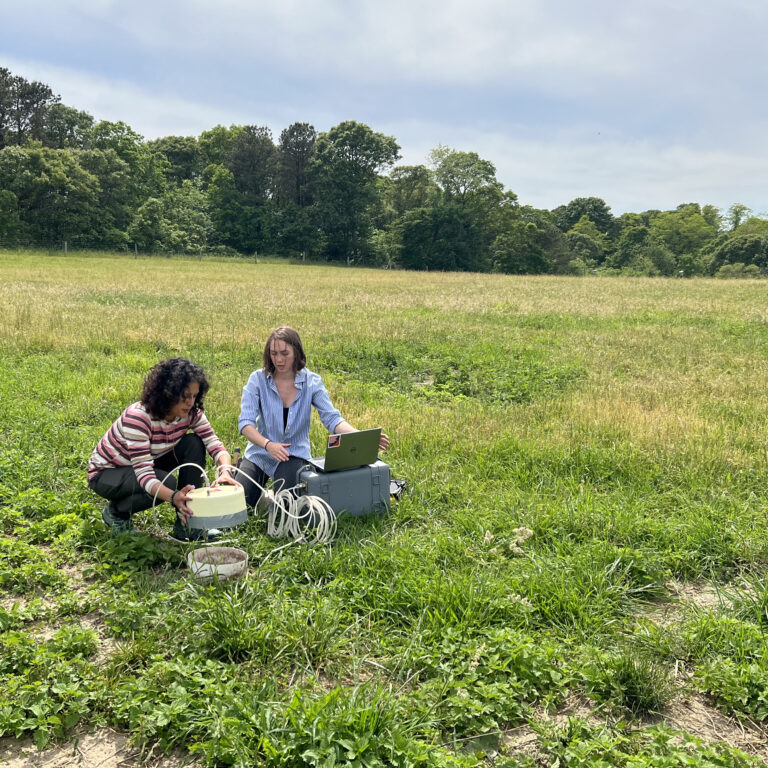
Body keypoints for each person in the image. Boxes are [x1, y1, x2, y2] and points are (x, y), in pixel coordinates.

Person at [87, 357, 239, 539]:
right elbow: (144, 474)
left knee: (194, 443)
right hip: (107, 473)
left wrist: (225, 471)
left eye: (194, 396)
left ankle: (188, 522)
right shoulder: (139, 417)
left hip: (146, 462)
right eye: (185, 396)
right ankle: (117, 512)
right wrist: (173, 496)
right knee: (166, 484)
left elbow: (214, 444)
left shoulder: (191, 414)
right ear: (168, 392)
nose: (190, 402)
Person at [238, 326, 389, 508]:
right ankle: (248, 481)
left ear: (297, 352)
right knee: (240, 504)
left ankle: (272, 496)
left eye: (285, 353)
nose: (278, 359)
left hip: (293, 455)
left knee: (286, 505)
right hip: (260, 452)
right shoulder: (257, 379)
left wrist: (361, 437)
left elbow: (332, 419)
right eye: (273, 353)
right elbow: (245, 423)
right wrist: (268, 445)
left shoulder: (312, 381)